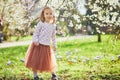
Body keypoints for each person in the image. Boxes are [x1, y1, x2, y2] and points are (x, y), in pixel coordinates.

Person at [25, 6, 58, 80]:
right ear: (43, 14)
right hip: (38, 45)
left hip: (47, 46)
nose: (49, 15)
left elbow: (53, 37)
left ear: (53, 14)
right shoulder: (41, 23)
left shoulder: (53, 26)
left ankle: (53, 74)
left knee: (50, 61)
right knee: (35, 61)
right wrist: (35, 40)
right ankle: (35, 75)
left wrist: (54, 45)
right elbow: (36, 33)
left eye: (50, 13)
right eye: (47, 13)